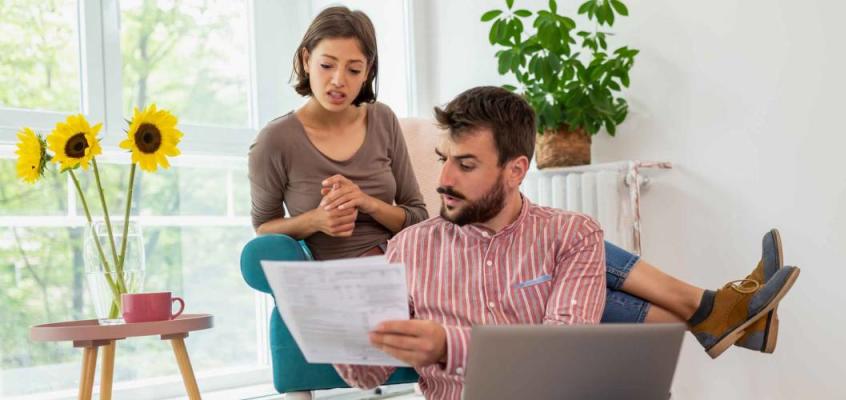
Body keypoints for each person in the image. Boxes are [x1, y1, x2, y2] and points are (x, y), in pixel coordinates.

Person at [333, 86, 801, 400]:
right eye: (442, 159)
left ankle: (714, 313)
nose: (444, 179)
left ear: (515, 170)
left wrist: (446, 345)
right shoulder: (410, 249)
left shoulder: (572, 235)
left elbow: (557, 361)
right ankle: (713, 312)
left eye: (466, 165)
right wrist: (341, 340)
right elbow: (370, 374)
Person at [248, 6, 428, 262]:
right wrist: (315, 221)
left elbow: (418, 216)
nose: (338, 80)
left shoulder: (383, 119)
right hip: (323, 281)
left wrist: (367, 203)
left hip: (393, 272)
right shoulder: (274, 140)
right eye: (326, 65)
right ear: (306, 60)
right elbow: (264, 230)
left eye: (353, 70)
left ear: (367, 72)